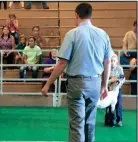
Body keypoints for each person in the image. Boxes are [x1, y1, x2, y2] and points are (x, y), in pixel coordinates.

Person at [41, 3, 114, 142]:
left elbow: (62, 63)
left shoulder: (72, 34)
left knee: (77, 124)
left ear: (76, 15)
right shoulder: (103, 34)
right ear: (91, 15)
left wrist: (47, 83)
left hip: (76, 83)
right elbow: (108, 62)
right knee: (89, 123)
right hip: (95, 83)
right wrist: (104, 85)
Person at [105, 54, 125, 127]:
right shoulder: (107, 68)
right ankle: (108, 120)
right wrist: (111, 80)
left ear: (116, 62)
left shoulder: (119, 68)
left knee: (118, 104)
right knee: (107, 104)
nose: (112, 62)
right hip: (109, 89)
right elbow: (105, 79)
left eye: (114, 61)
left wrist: (117, 83)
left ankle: (119, 120)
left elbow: (122, 78)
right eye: (111, 61)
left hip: (117, 90)